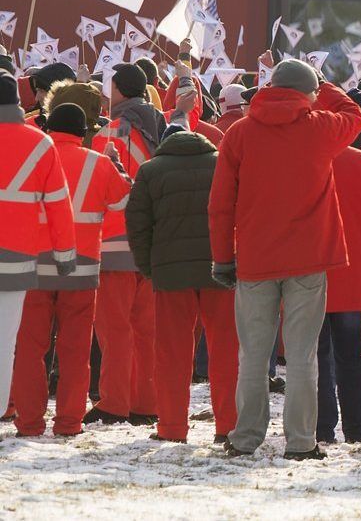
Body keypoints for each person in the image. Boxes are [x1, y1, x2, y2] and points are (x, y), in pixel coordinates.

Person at [209, 59, 361, 460]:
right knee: (302, 356)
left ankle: (245, 437)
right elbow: (354, 114)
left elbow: (221, 204)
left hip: (255, 259)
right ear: (308, 93)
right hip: (308, 260)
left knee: (253, 356)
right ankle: (300, 441)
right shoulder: (319, 127)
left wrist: (221, 259)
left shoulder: (240, 132)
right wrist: (324, 84)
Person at [126, 127, 236, 445]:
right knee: (226, 352)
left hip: (171, 273)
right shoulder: (223, 164)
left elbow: (137, 224)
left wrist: (151, 268)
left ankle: (172, 427)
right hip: (221, 269)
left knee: (172, 354)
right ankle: (227, 425)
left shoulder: (150, 171)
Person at [1, 80, 79, 429]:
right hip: (17, 258)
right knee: (5, 344)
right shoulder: (41, 143)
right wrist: (64, 255)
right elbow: (60, 206)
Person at [95, 62, 167, 426]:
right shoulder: (162, 127)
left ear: (119, 90)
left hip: (114, 244)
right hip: (152, 245)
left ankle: (114, 402)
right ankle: (146, 403)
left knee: (114, 329)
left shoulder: (110, 134)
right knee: (147, 330)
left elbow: (99, 191)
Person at [315, 137, 361, 445]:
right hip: (352, 271)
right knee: (353, 356)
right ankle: (357, 428)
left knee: (315, 357)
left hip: (311, 274)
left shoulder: (306, 158)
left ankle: (320, 428)